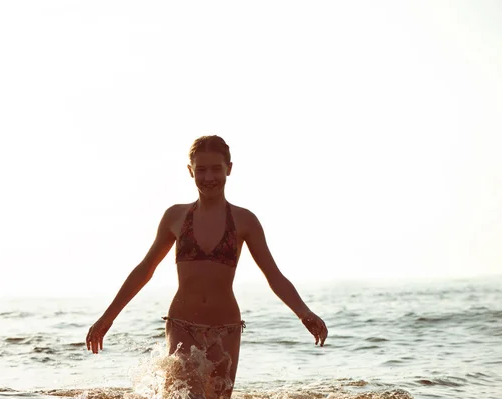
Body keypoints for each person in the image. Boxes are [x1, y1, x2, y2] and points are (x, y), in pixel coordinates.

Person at [86, 135, 328, 399]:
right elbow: (145, 270)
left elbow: (274, 276)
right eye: (201, 169)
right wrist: (107, 317)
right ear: (190, 171)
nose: (209, 177)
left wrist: (304, 312)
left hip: (226, 329)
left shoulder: (244, 220)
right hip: (182, 325)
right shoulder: (175, 216)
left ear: (229, 169)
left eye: (216, 169)